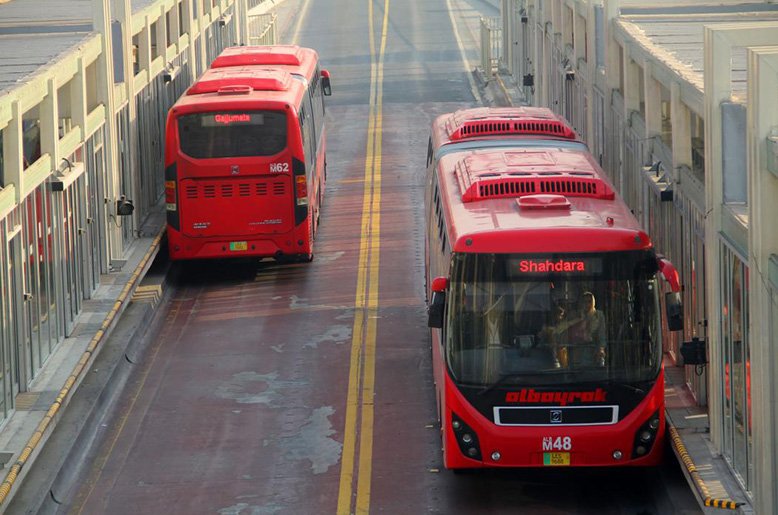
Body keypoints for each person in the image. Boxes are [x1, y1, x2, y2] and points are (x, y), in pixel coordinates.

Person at [570, 291, 607, 366]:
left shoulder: (599, 315)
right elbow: (572, 335)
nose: (587, 304)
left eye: (589, 301)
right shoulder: (576, 315)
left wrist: (601, 349)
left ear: (593, 302)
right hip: (579, 351)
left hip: (593, 350)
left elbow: (601, 334)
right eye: (585, 302)